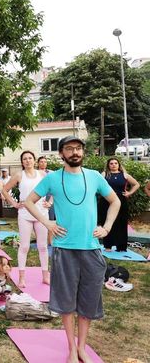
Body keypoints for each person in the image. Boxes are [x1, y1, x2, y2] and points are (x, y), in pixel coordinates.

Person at [24, 136, 120, 363]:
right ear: (61, 153)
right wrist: (47, 222)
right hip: (64, 249)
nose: (75, 152)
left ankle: (82, 347)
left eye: (78, 148)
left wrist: (106, 227)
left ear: (83, 152)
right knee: (66, 303)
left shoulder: (95, 177)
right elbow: (29, 201)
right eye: (69, 148)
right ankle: (70, 348)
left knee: (87, 302)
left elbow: (115, 201)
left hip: (91, 249)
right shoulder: (53, 179)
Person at [0, 151, 50, 288]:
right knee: (24, 246)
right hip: (24, 214)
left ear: (34, 160)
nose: (28, 161)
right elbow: (4, 190)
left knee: (43, 246)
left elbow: (54, 189)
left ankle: (45, 276)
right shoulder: (18, 175)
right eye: (25, 159)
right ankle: (22, 278)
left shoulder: (43, 174)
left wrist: (50, 202)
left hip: (41, 213)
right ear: (22, 162)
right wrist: (14, 204)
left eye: (30, 158)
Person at [98, 158, 139, 252]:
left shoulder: (124, 175)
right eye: (111, 163)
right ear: (108, 165)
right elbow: (97, 185)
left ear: (119, 165)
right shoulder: (104, 174)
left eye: (115, 163)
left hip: (121, 202)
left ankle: (121, 247)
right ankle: (107, 246)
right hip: (106, 202)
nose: (113, 165)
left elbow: (136, 184)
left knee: (121, 224)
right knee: (106, 222)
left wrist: (129, 193)